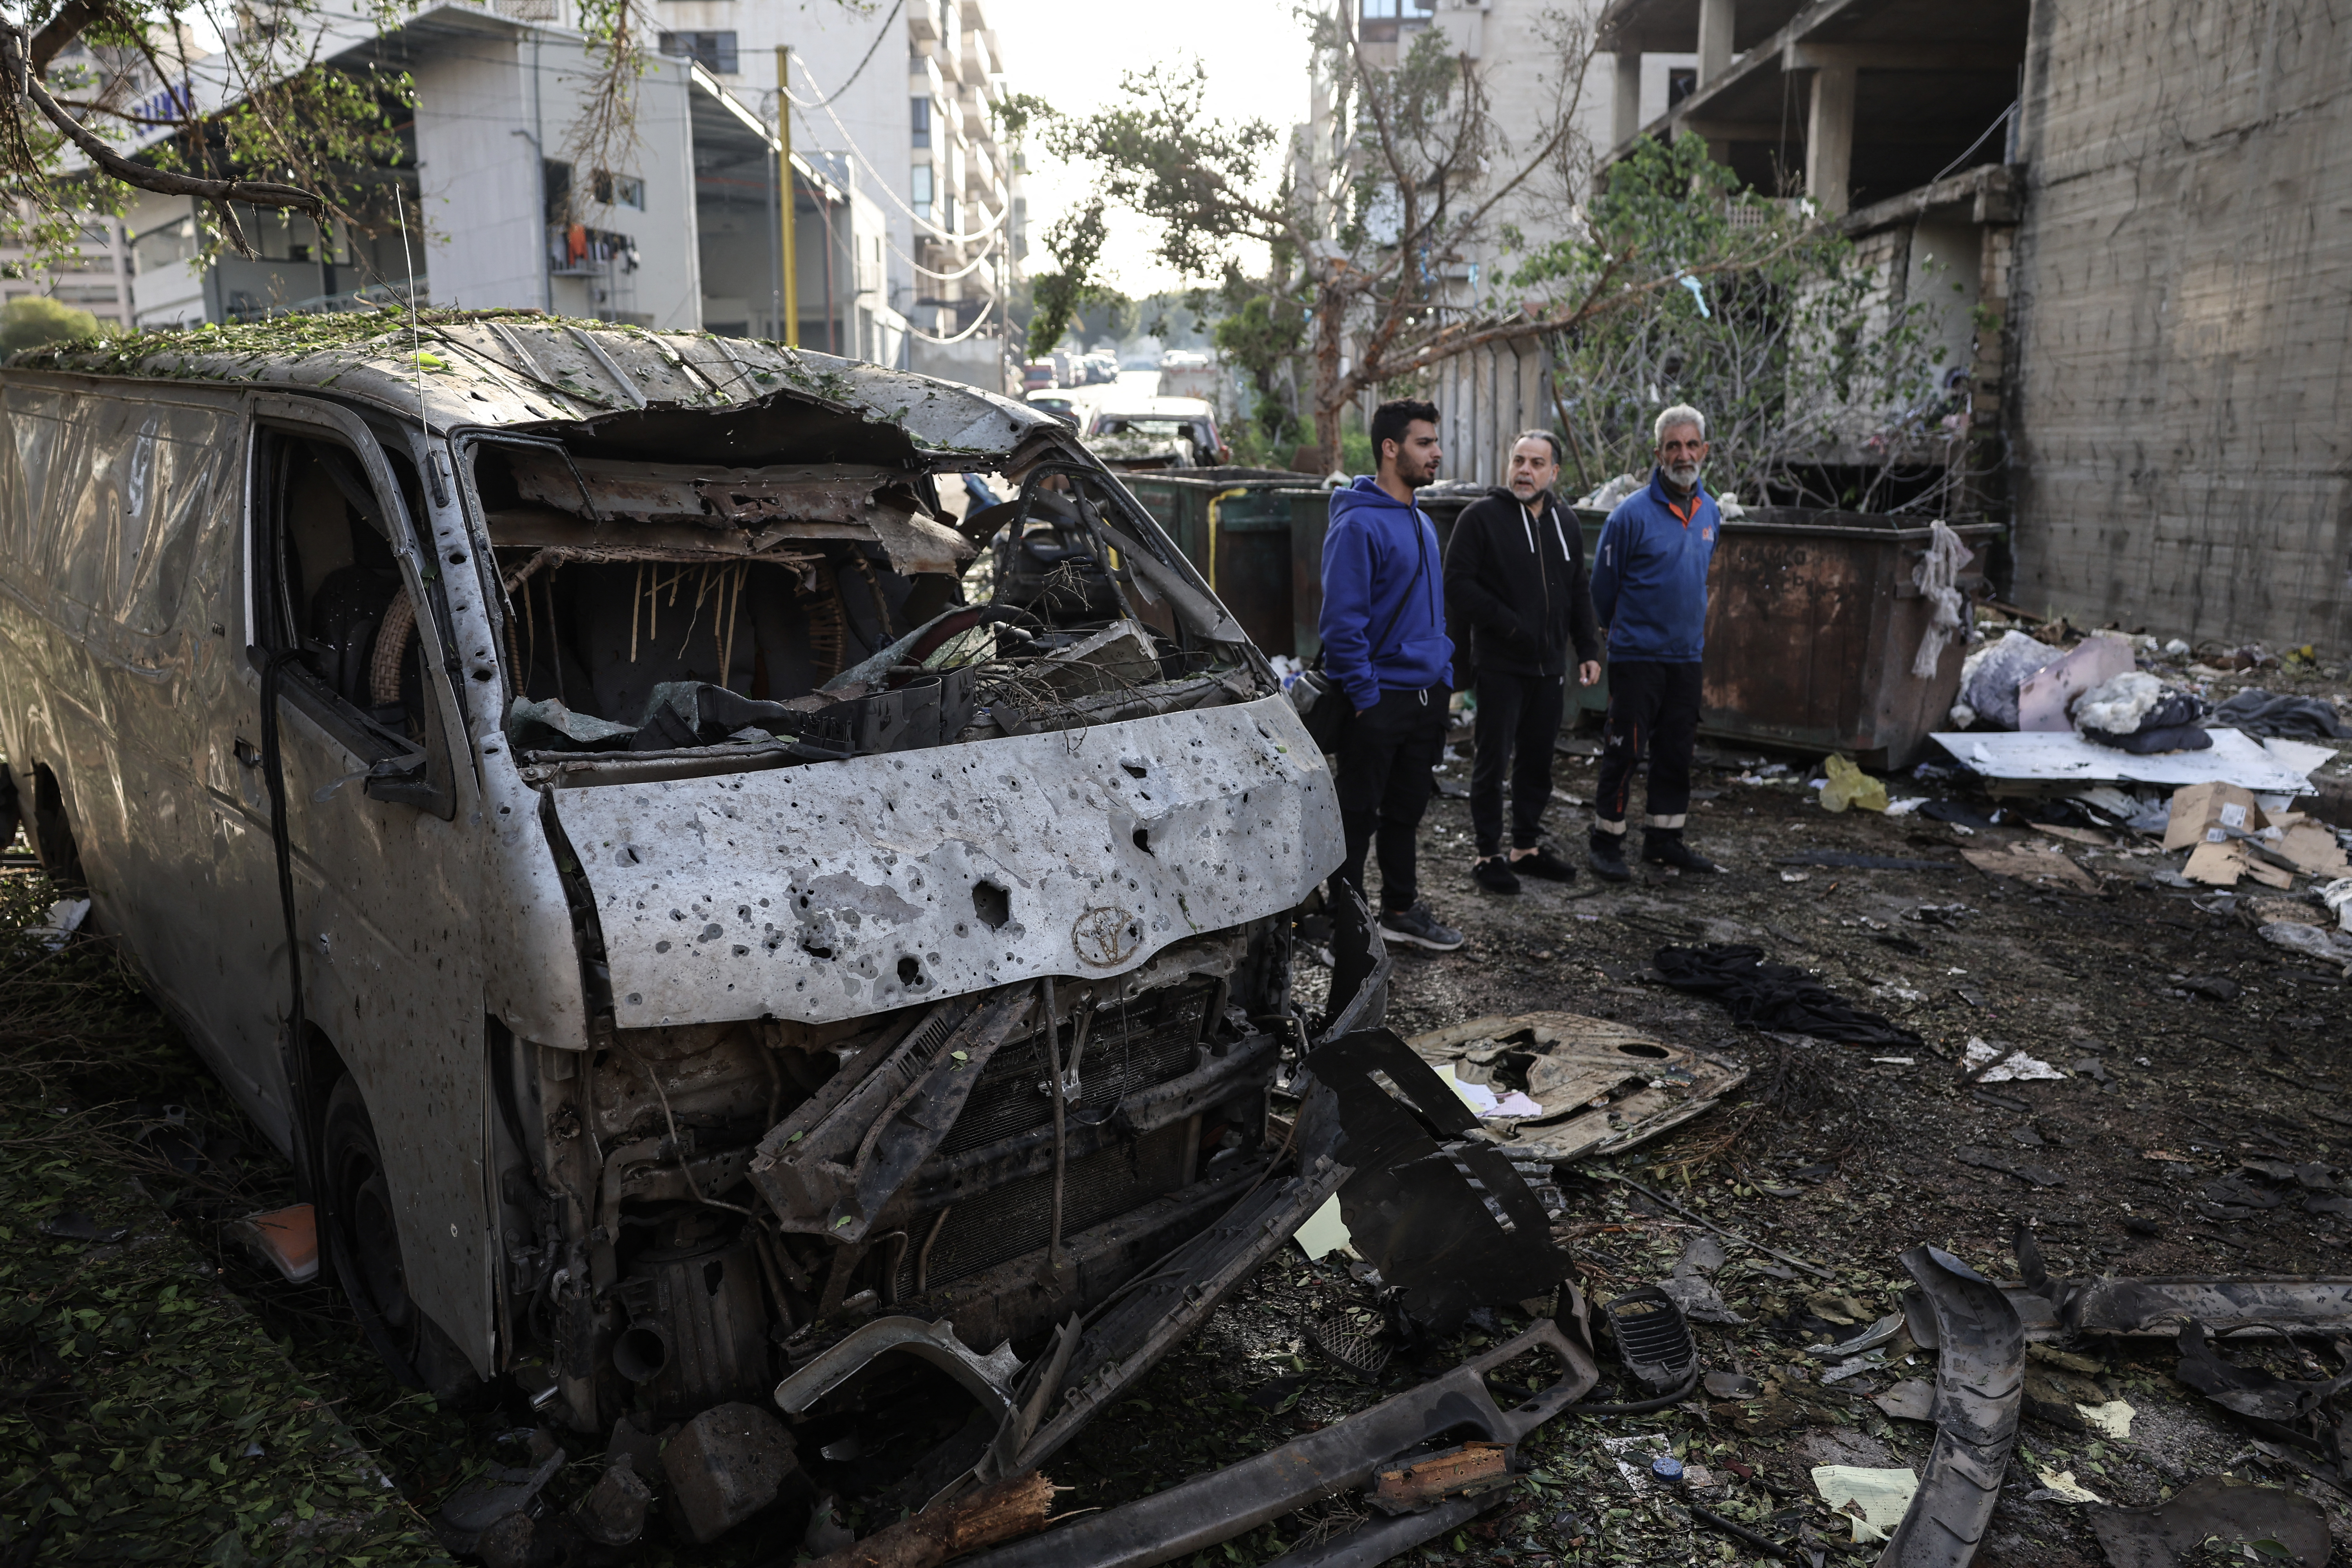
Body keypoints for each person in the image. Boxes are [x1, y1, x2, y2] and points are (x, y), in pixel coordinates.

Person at [1318, 399, 1462, 952]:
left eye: (1435, 442)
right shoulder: (1357, 525)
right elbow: (1341, 623)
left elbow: (1432, 612)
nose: (1436, 452)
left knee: (1406, 813)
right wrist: (1365, 697)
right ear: (1390, 448)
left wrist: (1443, 671)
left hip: (1427, 697)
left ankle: (1400, 910)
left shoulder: (1423, 520)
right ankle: (1346, 927)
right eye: (1425, 443)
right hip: (1379, 702)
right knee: (1357, 816)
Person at [1445, 430, 1601, 894]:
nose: (1525, 471)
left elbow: (1577, 590)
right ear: (1508, 465)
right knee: (1492, 762)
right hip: (1500, 664)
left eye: (1536, 463)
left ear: (1553, 473)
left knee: (1538, 761)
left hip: (1549, 667)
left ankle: (1525, 848)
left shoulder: (1566, 521)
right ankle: (1488, 853)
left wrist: (1588, 649)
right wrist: (1510, 625)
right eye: (1519, 461)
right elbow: (1457, 584)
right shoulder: (1480, 519)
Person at [1586, 404, 1726, 881]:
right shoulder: (1630, 516)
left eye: (1691, 445)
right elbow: (1602, 587)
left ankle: (1665, 840)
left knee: (1676, 751)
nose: (1683, 454)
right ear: (1658, 453)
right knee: (1625, 749)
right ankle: (1606, 841)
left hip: (1686, 657)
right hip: (1637, 656)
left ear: (1704, 450)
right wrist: (1616, 631)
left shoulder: (1711, 512)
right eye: (1673, 446)